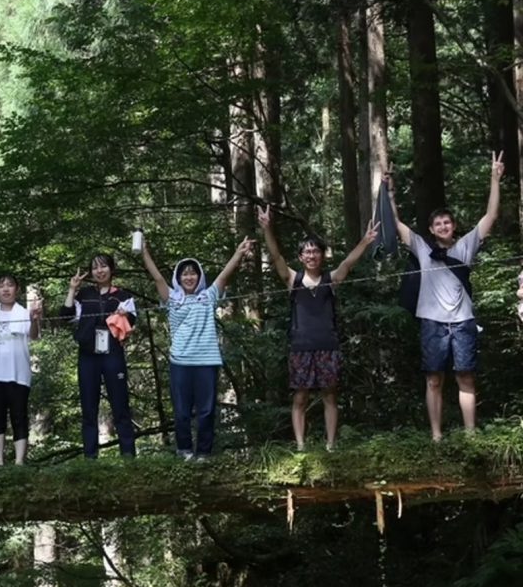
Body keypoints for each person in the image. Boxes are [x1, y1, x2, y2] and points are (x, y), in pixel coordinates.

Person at [388, 152, 503, 440]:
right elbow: (397, 225)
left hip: (463, 320)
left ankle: (470, 434)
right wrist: (389, 193)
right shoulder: (423, 250)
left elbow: (491, 217)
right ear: (431, 229)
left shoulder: (465, 247)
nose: (443, 227)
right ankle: (437, 435)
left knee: (465, 377)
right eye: (437, 224)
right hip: (432, 322)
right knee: (434, 380)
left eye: (447, 223)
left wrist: (494, 179)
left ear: (453, 226)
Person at [257, 207, 379, 451]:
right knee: (300, 397)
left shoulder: (330, 280)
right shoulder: (293, 280)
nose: (312, 255)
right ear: (301, 257)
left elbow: (348, 263)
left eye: (315, 251)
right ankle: (301, 446)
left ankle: (331, 445)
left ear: (322, 256)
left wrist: (365, 242)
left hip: (327, 346)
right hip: (301, 347)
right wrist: (267, 228)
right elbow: (277, 257)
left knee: (330, 396)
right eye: (307, 252)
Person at [140, 238, 253, 459]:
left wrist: (239, 253)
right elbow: (156, 277)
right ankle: (184, 451)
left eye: (193, 273)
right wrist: (144, 252)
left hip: (207, 362)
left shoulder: (208, 296)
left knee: (207, 411)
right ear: (178, 278)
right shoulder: (172, 298)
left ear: (199, 277)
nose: (189, 277)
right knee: (181, 411)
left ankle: (203, 453)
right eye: (185, 273)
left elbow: (224, 275)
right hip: (180, 362)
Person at [58, 254, 137, 458]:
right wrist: (72, 289)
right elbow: (65, 316)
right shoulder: (84, 295)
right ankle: (90, 459)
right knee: (88, 406)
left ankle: (129, 456)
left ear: (111, 269)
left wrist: (125, 314)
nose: (99, 271)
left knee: (120, 404)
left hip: (113, 354)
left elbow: (132, 323)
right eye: (95, 268)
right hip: (88, 355)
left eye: (103, 266)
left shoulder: (123, 295)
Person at [0, 274, 42, 465]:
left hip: (18, 373)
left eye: (10, 285)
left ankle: (19, 461)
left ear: (17, 290)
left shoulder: (24, 313)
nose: (6, 289)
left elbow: (34, 335)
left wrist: (35, 319)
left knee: (19, 416)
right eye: (2, 286)